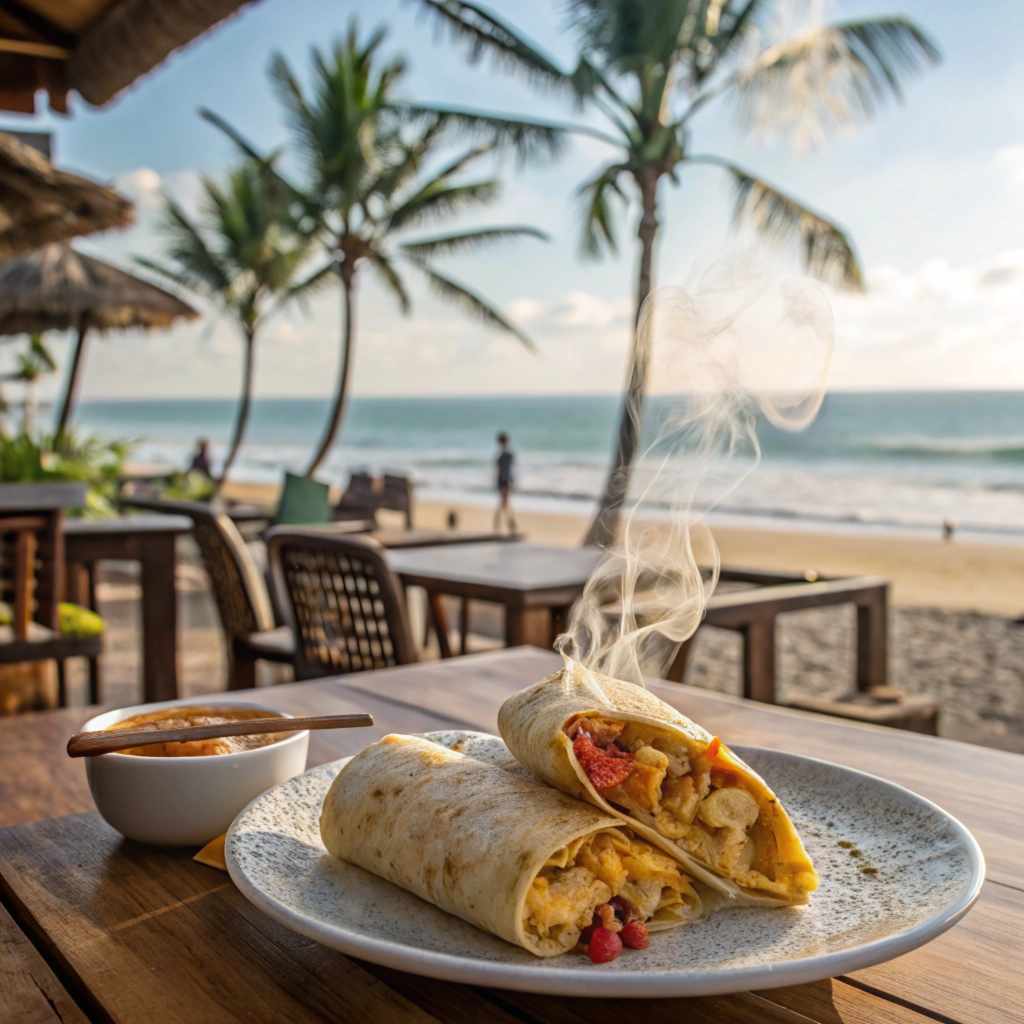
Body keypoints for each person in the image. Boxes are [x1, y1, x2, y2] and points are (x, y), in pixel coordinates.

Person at [494, 432, 517, 533]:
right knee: (505, 503)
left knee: (505, 503)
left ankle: (501, 523)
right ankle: (507, 524)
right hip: (503, 481)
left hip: (506, 480)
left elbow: (511, 469)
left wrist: (512, 480)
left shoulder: (508, 455)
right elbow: (499, 471)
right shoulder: (501, 457)